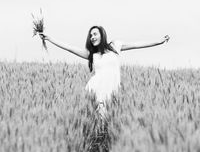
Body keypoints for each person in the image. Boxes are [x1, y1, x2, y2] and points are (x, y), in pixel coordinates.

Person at [39, 26, 170, 117]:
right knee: (99, 119)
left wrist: (159, 41)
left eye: (95, 34)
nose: (92, 37)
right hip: (97, 90)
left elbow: (137, 44)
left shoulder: (115, 46)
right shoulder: (92, 54)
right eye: (90, 35)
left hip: (112, 90)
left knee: (112, 116)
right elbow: (69, 48)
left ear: (102, 34)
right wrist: (50, 39)